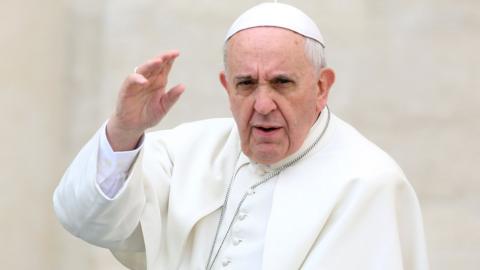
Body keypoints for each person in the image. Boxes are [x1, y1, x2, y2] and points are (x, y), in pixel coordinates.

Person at [53, 2, 429, 270]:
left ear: (321, 87)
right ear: (226, 87)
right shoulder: (186, 152)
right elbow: (86, 221)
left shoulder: (369, 183)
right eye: (246, 84)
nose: (263, 104)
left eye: (282, 83)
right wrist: (124, 130)